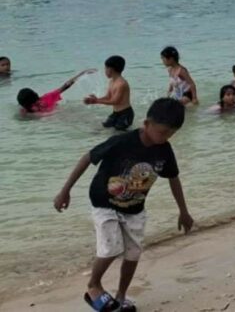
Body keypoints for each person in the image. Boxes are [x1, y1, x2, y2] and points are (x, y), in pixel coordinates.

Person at [53, 98, 194, 312]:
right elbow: (88, 158)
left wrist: (183, 211)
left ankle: (121, 296)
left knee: (132, 253)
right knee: (111, 247)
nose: (166, 138)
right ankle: (94, 285)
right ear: (146, 124)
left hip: (134, 208)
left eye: (171, 133)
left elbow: (173, 178)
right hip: (104, 202)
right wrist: (65, 191)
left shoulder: (164, 150)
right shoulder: (122, 141)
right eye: (162, 132)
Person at [85, 56, 134, 131]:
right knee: (103, 128)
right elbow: (108, 97)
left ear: (111, 69)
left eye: (105, 68)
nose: (105, 70)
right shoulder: (112, 81)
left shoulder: (121, 84)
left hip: (126, 114)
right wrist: (96, 99)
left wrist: (96, 101)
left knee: (119, 133)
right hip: (116, 113)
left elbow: (115, 101)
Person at [17, 68, 96, 115]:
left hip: (58, 113)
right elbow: (65, 86)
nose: (36, 105)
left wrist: (81, 74)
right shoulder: (25, 110)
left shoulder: (46, 98)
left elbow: (65, 86)